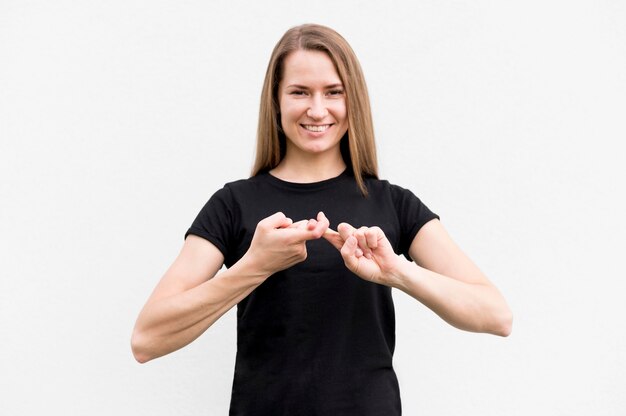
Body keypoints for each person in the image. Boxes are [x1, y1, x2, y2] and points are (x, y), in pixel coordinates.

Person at [131, 23, 512, 415]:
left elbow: (496, 315)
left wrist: (396, 272)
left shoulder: (393, 204)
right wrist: (253, 268)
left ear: (353, 101)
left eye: (333, 92)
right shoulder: (233, 204)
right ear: (276, 101)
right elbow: (147, 339)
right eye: (299, 92)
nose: (317, 109)